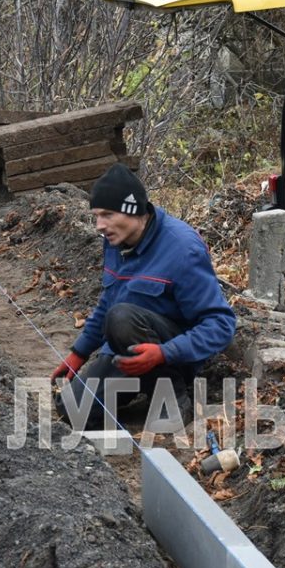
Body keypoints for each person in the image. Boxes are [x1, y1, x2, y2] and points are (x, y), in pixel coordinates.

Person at [50, 163, 237, 428]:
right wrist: (78, 354)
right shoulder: (115, 241)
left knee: (121, 317)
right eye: (96, 216)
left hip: (172, 352)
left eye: (107, 214)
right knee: (72, 410)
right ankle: (141, 386)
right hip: (127, 349)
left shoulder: (183, 249)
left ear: (132, 210)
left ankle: (172, 395)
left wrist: (164, 353)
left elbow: (221, 324)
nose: (99, 225)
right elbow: (108, 302)